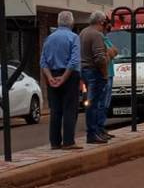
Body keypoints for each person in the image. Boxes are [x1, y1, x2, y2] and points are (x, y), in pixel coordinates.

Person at [39, 11, 82, 150]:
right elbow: (74, 60)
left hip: (52, 75)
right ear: (71, 22)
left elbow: (43, 61)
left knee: (55, 110)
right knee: (70, 109)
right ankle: (69, 141)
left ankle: (55, 142)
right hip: (69, 75)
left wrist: (50, 77)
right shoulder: (74, 37)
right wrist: (64, 77)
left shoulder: (49, 39)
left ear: (58, 22)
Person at [80, 11, 109, 144]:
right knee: (95, 104)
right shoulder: (97, 35)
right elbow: (99, 58)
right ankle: (93, 133)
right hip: (94, 71)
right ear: (101, 22)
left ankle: (95, 132)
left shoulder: (83, 33)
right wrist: (104, 73)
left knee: (92, 103)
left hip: (84, 70)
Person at [101, 20, 120, 139]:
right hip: (105, 74)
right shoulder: (100, 38)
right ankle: (99, 128)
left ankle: (102, 127)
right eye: (108, 27)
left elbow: (115, 51)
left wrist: (111, 52)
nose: (109, 29)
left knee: (106, 104)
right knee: (102, 103)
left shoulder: (105, 38)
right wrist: (111, 52)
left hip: (110, 74)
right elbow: (110, 52)